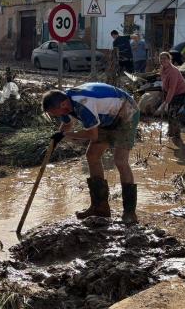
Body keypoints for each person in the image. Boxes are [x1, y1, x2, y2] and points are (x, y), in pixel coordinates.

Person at [41, 82, 141, 224]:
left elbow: (92, 135)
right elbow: (67, 124)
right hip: (106, 118)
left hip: (126, 113)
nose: (53, 115)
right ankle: (100, 208)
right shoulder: (65, 104)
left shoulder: (83, 104)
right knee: (92, 156)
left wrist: (67, 135)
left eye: (53, 112)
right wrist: (58, 136)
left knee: (120, 161)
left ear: (63, 104)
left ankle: (130, 213)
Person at [158, 51, 185, 145]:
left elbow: (172, 88)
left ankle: (177, 135)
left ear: (169, 60)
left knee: (173, 113)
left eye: (165, 58)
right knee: (170, 112)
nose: (162, 60)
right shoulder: (162, 68)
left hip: (181, 92)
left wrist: (166, 102)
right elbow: (163, 81)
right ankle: (170, 132)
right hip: (171, 91)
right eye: (161, 58)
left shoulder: (173, 71)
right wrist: (164, 94)